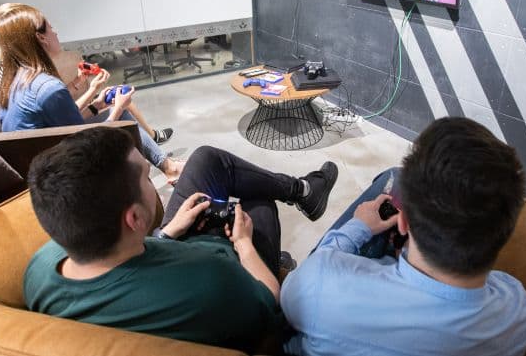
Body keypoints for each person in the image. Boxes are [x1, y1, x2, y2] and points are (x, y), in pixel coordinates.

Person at [23, 126, 339, 353]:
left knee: (205, 160)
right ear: (134, 218)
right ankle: (298, 199)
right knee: (259, 204)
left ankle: (303, 191)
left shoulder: (42, 266)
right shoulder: (211, 280)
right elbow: (269, 300)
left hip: (167, 244)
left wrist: (168, 232)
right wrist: (244, 244)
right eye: (147, 177)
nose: (159, 182)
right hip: (225, 265)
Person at [281, 117, 526, 356]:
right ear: (506, 233)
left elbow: (289, 305)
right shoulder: (519, 314)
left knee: (393, 177)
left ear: (403, 222)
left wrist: (359, 227)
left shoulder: (318, 283)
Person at [0, 2, 181, 180]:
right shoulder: (47, 87)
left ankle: (168, 166)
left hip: (41, 163)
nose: (56, 32)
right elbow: (85, 146)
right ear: (41, 38)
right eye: (51, 28)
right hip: (61, 171)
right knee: (122, 118)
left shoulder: (13, 80)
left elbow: (63, 126)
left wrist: (97, 104)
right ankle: (166, 167)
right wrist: (118, 109)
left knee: (117, 112)